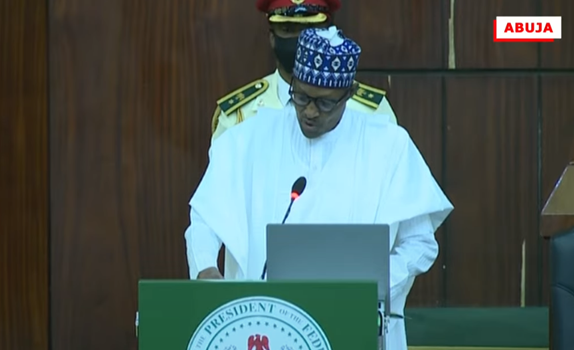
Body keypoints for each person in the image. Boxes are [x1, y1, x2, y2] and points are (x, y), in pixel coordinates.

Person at [185, 26, 454, 349]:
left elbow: (420, 244)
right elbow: (204, 219)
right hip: (265, 327)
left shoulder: (389, 145)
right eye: (301, 97)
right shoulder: (248, 139)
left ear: (349, 93)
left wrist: (368, 289)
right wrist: (205, 270)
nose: (310, 112)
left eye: (325, 104)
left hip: (357, 326)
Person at [211, 0, 398, 142]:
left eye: (309, 29)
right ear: (272, 37)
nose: (300, 40)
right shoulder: (240, 117)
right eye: (288, 29)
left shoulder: (371, 113)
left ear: (328, 31)